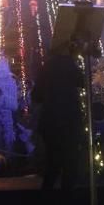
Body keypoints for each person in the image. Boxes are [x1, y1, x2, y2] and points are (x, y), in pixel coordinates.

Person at [31, 41, 85, 194]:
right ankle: (67, 197)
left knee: (52, 163)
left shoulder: (46, 67)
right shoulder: (70, 64)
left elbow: (36, 96)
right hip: (70, 121)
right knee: (70, 163)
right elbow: (83, 82)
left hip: (50, 121)